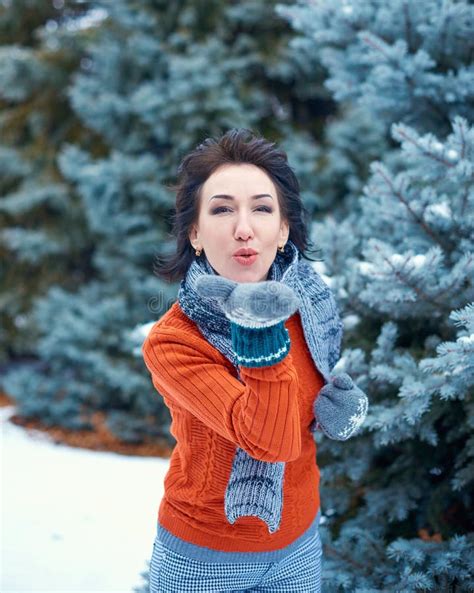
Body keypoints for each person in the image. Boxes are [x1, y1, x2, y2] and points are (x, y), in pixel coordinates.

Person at [142, 128, 369, 593]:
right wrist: (258, 330)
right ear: (195, 234)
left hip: (298, 541)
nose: (243, 228)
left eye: (262, 208)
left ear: (283, 229)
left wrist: (332, 407)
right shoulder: (174, 341)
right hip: (204, 557)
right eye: (222, 209)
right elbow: (270, 440)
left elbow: (307, 398)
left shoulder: (305, 300)